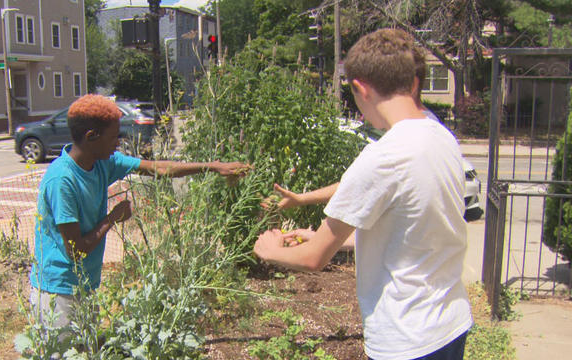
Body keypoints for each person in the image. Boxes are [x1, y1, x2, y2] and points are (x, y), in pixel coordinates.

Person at [254, 29, 472, 360]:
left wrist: (269, 250)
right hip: (450, 325)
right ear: (414, 83)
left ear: (359, 88)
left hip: (406, 341)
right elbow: (403, 223)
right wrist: (314, 222)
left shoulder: (384, 156)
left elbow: (313, 259)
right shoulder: (438, 134)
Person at [30, 94, 250, 329]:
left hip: (84, 283)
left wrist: (214, 167)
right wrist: (112, 218)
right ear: (91, 137)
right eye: (114, 136)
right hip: (58, 290)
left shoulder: (102, 162)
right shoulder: (63, 180)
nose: (118, 142)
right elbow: (76, 251)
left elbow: (161, 169)